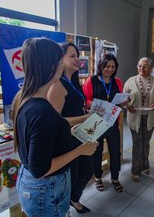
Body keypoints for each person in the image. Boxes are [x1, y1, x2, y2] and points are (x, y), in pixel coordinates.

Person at [13, 38, 98, 217]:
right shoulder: (42, 110)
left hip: (35, 186)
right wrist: (81, 150)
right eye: (61, 61)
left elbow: (44, 134)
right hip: (46, 189)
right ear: (52, 66)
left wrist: (67, 131)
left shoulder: (23, 98)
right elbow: (40, 169)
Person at [47, 42, 93, 213]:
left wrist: (87, 112)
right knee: (72, 176)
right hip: (66, 140)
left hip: (81, 134)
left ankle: (74, 199)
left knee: (87, 171)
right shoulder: (57, 85)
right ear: (61, 59)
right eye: (72, 56)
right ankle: (67, 205)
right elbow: (54, 122)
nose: (77, 59)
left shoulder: (74, 81)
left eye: (77, 56)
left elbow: (74, 107)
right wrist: (85, 117)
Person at [83, 54, 124, 193]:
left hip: (112, 122)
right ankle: (98, 178)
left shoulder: (117, 81)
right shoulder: (91, 81)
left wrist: (124, 101)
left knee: (115, 151)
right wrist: (95, 104)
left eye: (113, 67)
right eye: (107, 66)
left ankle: (115, 178)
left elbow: (119, 99)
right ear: (101, 66)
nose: (110, 69)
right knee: (97, 151)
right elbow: (85, 100)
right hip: (95, 122)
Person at [123, 57, 154, 182]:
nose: (142, 68)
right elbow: (123, 98)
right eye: (140, 65)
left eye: (146, 66)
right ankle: (136, 170)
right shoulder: (130, 81)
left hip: (149, 118)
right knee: (137, 144)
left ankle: (145, 164)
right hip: (134, 118)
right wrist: (127, 106)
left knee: (145, 143)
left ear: (151, 68)